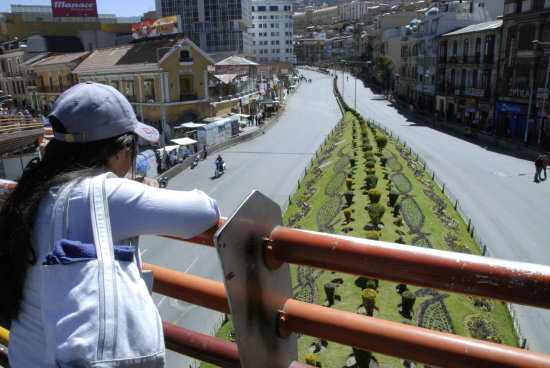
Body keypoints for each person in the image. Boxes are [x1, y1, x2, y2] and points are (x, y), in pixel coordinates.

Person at [0, 82, 220, 366]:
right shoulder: (105, 193)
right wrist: (144, 189)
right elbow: (205, 211)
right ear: (117, 153)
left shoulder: (30, 192)